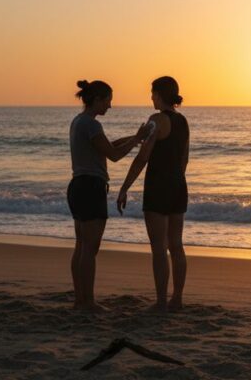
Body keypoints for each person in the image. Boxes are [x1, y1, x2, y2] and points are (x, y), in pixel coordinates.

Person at [68, 79, 149, 311]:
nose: (110, 106)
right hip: (91, 188)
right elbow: (113, 155)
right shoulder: (92, 125)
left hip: (78, 186)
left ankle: (79, 299)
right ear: (97, 99)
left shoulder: (79, 122)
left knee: (81, 246)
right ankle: (89, 302)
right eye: (108, 101)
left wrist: (134, 138)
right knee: (90, 249)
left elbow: (106, 146)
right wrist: (136, 139)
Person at [117, 76, 190, 312]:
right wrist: (176, 179)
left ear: (159, 94)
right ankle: (176, 299)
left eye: (152, 93)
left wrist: (125, 186)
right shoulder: (183, 121)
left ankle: (160, 302)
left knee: (159, 247)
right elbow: (184, 159)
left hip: (158, 187)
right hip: (178, 185)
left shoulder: (155, 121)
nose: (151, 97)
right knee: (176, 246)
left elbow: (142, 158)